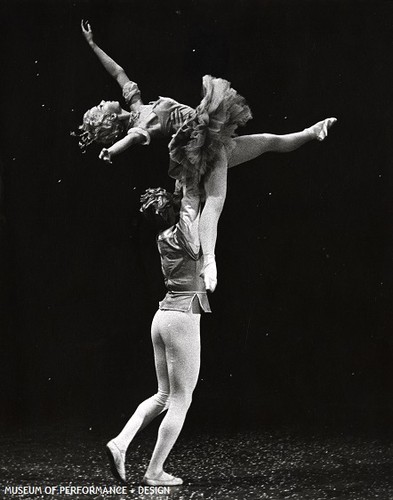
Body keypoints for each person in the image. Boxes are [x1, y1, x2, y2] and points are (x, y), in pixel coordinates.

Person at [76, 21, 337, 293]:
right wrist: (112, 149)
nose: (102, 101)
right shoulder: (141, 125)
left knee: (266, 142)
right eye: (100, 106)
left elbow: (118, 72)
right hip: (201, 146)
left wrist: (93, 44)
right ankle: (209, 263)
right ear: (108, 119)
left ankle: (310, 132)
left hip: (209, 138)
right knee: (214, 200)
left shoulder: (136, 104)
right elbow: (131, 139)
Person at [106, 179, 209, 486]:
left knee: (163, 395)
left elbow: (188, 201)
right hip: (181, 317)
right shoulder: (187, 235)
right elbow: (191, 198)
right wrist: (191, 168)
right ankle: (154, 471)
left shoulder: (163, 236)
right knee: (181, 399)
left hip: (162, 317)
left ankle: (121, 442)